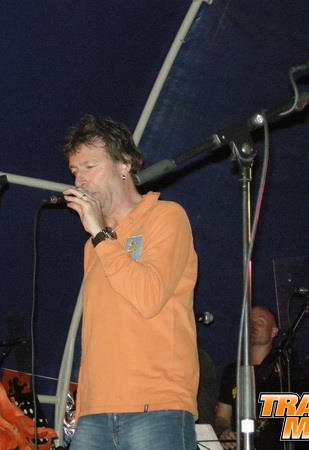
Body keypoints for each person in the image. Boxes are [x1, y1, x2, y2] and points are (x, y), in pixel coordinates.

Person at [62, 115, 199, 450]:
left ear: (124, 164)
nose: (80, 180)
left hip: (156, 406)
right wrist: (83, 404)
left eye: (90, 166)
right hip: (94, 413)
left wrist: (100, 234)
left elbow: (148, 297)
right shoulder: (93, 245)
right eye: (75, 171)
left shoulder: (166, 216)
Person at [215, 305, 296, 450]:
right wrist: (224, 433)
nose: (253, 325)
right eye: (249, 321)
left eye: (260, 321)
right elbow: (222, 417)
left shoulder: (286, 370)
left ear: (274, 331)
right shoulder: (233, 371)